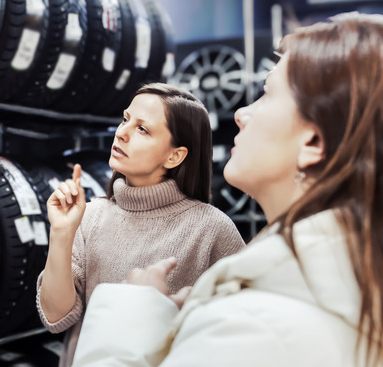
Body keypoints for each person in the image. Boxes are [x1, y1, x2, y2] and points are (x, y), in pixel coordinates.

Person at [73, 13, 383, 367]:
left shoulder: (257, 324)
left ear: (313, 141)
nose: (241, 113)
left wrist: (136, 312)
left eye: (267, 94)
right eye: (125, 121)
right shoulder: (356, 282)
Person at [37, 83, 245, 366]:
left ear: (175, 156)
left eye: (142, 129)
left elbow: (239, 335)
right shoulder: (89, 215)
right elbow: (56, 318)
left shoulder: (213, 229)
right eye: (125, 119)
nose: (121, 133)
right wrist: (61, 233)